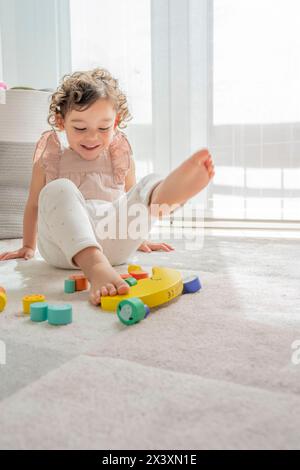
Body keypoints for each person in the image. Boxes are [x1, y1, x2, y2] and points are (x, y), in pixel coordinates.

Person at [0, 68, 215, 305]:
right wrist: (28, 246)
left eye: (103, 128)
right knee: (57, 189)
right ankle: (96, 267)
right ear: (61, 122)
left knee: (145, 186)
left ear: (117, 122)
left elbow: (131, 199)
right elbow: (33, 205)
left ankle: (167, 194)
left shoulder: (120, 157)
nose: (92, 138)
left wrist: (138, 237)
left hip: (114, 242)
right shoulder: (51, 159)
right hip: (63, 249)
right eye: (80, 128)